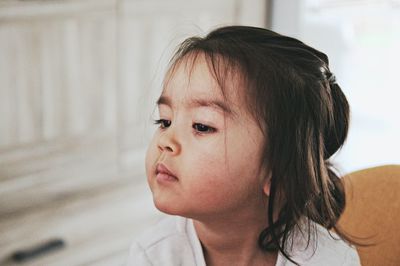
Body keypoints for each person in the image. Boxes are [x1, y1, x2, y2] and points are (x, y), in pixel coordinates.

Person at [127, 25, 361, 266]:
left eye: (202, 126)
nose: (165, 141)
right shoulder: (154, 255)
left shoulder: (329, 261)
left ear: (279, 172)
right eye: (165, 121)